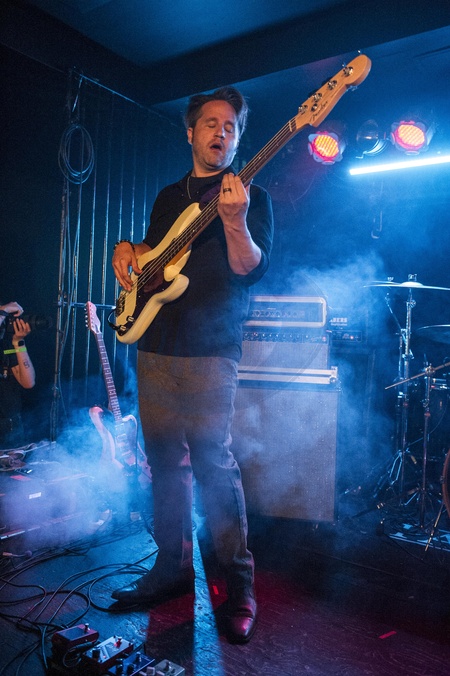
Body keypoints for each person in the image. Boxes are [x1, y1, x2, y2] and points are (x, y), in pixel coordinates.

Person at [111, 86, 274, 643]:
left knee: (213, 465)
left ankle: (238, 586)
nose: (220, 132)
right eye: (210, 123)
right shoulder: (168, 196)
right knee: (164, 463)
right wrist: (127, 248)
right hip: (156, 344)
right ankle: (172, 568)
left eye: (230, 126)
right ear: (190, 132)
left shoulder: (252, 196)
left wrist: (235, 220)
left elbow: (250, 268)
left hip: (212, 348)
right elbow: (150, 257)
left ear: (238, 139)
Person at [0, 301, 36, 449]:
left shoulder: (6, 347)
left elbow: (28, 382)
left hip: (11, 428)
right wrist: (3, 311)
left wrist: (18, 343)